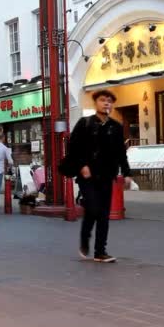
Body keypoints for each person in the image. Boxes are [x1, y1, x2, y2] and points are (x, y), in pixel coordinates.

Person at [67, 89, 131, 263]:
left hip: (106, 175)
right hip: (87, 176)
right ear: (96, 102)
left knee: (103, 214)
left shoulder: (116, 127)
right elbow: (73, 147)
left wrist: (126, 173)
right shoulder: (85, 123)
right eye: (103, 100)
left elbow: (121, 152)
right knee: (93, 208)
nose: (106, 103)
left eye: (109, 101)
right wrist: (81, 166)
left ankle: (100, 251)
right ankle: (85, 237)